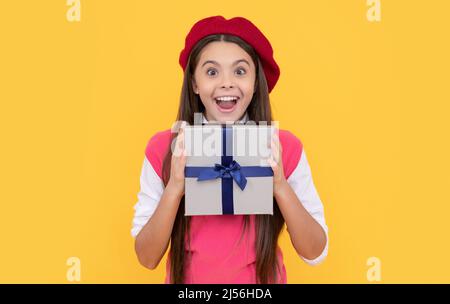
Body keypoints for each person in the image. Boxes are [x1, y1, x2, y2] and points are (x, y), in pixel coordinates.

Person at [131, 15, 328, 284]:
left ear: (256, 81)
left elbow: (315, 251)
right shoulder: (163, 150)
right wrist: (175, 187)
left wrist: (280, 186)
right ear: (194, 83)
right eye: (212, 72)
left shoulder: (284, 147)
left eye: (240, 71)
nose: (226, 82)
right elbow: (147, 257)